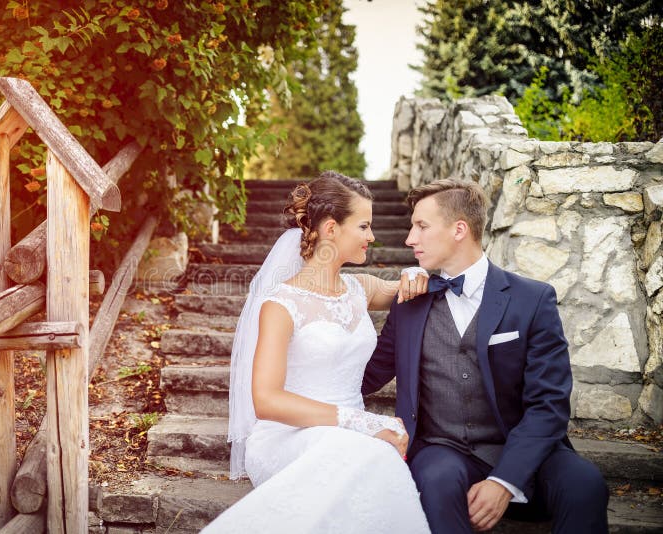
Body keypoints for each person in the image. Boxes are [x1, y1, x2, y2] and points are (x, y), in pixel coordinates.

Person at [363, 178, 610, 533]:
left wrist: (504, 480)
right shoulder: (410, 304)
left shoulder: (532, 300)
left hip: (523, 450)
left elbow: (549, 404)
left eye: (421, 226)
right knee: (435, 478)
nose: (410, 239)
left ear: (459, 229)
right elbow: (367, 375)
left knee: (585, 486)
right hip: (442, 449)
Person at [203, 171, 431, 533]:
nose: (371, 236)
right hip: (287, 436)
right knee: (372, 458)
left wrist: (416, 272)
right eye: (363, 226)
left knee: (370, 460)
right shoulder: (280, 304)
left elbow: (410, 285)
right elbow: (266, 401)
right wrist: (363, 421)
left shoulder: (362, 289)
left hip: (349, 436)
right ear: (330, 230)